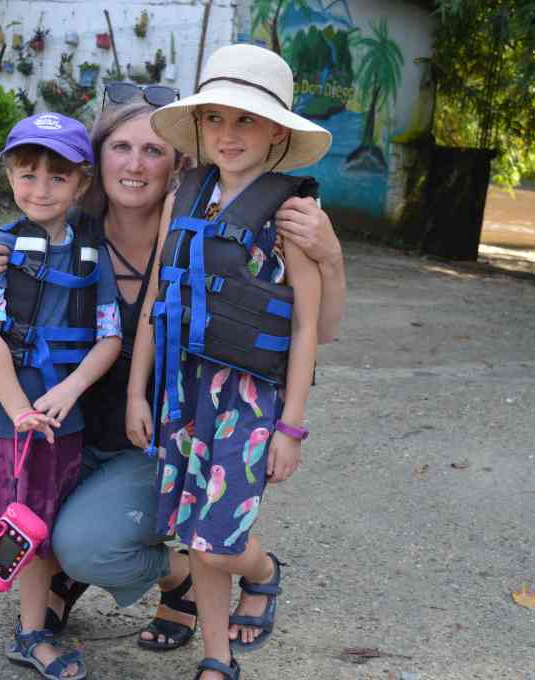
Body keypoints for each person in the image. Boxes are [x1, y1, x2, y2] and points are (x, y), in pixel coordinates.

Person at [0, 91, 346, 657]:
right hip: (70, 430)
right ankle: (60, 570)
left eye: (153, 151)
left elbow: (316, 328)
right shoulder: (60, 225)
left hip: (148, 443)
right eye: (120, 148)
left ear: (177, 162)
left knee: (88, 543)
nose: (134, 164)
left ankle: (174, 573)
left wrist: (330, 259)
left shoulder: (197, 228)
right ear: (93, 164)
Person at [125, 44, 331, 680]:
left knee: (220, 542)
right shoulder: (183, 196)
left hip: (246, 401)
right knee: (196, 539)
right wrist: (138, 392)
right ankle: (218, 660)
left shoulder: (293, 212)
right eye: (216, 119)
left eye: (246, 120)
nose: (228, 134)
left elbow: (306, 325)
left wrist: (292, 426)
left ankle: (263, 574)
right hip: (180, 395)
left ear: (276, 130)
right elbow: (159, 295)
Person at [0, 113, 122, 680]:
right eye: (27, 174)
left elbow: (109, 337)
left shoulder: (93, 255)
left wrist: (70, 388)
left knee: (35, 529)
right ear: (9, 176)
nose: (40, 188)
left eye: (58, 177)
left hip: (60, 422)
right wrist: (17, 411)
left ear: (81, 184)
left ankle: (33, 633)